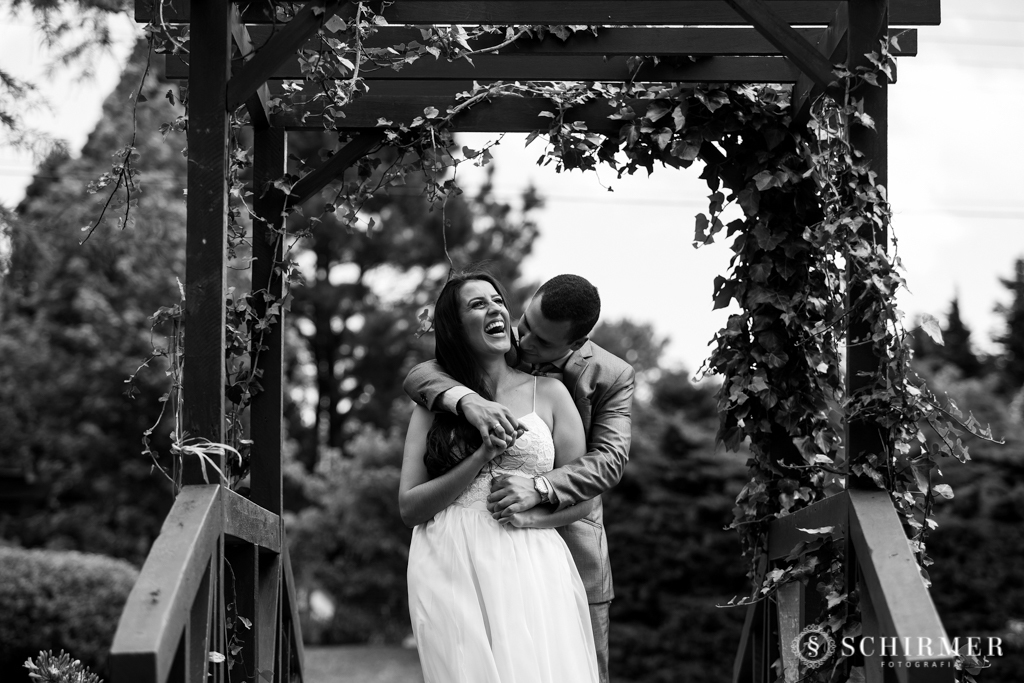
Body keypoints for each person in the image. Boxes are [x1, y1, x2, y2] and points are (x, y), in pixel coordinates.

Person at [404, 274, 635, 683]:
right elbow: (422, 375)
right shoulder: (488, 347)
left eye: (541, 342)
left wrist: (539, 491)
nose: (523, 343)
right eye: (524, 324)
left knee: (579, 669)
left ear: (575, 345)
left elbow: (608, 463)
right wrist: (468, 401)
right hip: (456, 554)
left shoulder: (610, 377)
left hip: (562, 547)